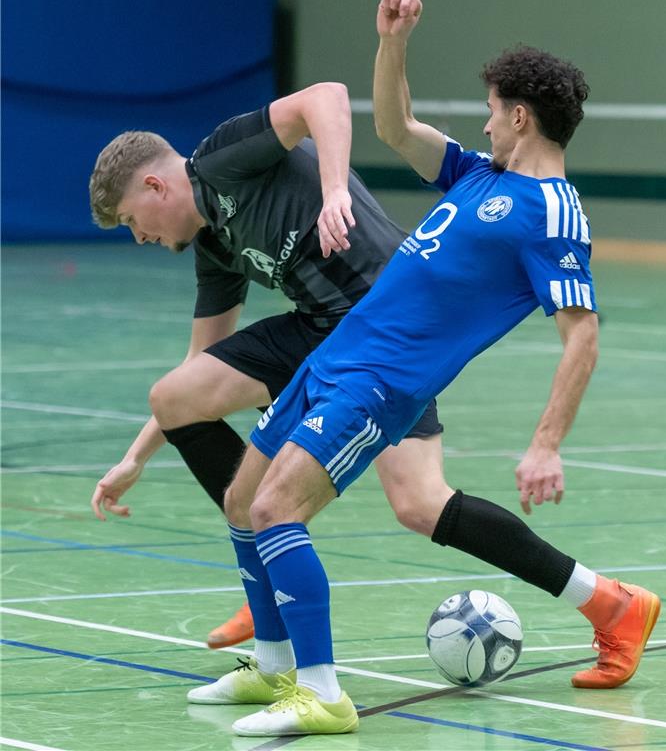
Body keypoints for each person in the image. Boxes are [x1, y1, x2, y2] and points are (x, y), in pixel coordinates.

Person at [185, 0, 662, 738]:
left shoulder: (552, 211)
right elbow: (395, 126)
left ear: (519, 116)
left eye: (490, 108)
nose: (482, 120)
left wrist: (545, 444)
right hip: (337, 355)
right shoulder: (480, 174)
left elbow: (584, 333)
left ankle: (322, 693)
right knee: (244, 500)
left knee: (280, 508)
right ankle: (274, 667)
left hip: (383, 384)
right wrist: (392, 43)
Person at [88, 81, 445, 648]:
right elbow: (198, 364)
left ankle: (602, 599)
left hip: (386, 324)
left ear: (156, 186)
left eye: (134, 220)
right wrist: (135, 458)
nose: (140, 237)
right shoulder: (213, 245)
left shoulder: (222, 158)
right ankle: (270, 585)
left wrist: (334, 193)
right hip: (320, 333)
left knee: (420, 505)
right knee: (179, 396)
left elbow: (324, 96)